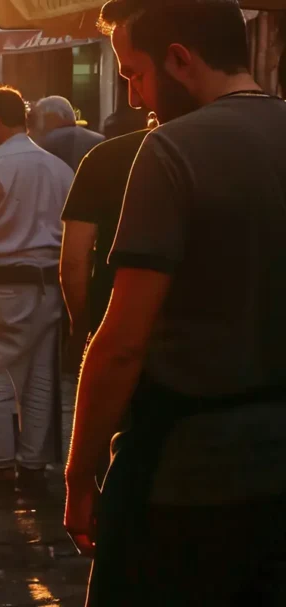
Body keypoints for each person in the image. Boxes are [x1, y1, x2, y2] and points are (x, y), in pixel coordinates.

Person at [64, 2, 286, 605]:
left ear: (181, 60)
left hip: (184, 478)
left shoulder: (169, 151)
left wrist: (80, 477)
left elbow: (121, 343)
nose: (134, 98)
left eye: (134, 73)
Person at [0, 87, 73, 487]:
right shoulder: (59, 169)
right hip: (47, 285)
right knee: (40, 376)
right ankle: (34, 462)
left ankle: (0, 461)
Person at [60, 121, 153, 372]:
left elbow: (73, 260)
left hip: (114, 315)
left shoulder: (105, 157)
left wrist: (81, 326)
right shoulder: (230, 153)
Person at [31, 96, 105, 171]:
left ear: (52, 115)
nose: (37, 123)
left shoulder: (44, 143)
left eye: (39, 117)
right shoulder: (100, 140)